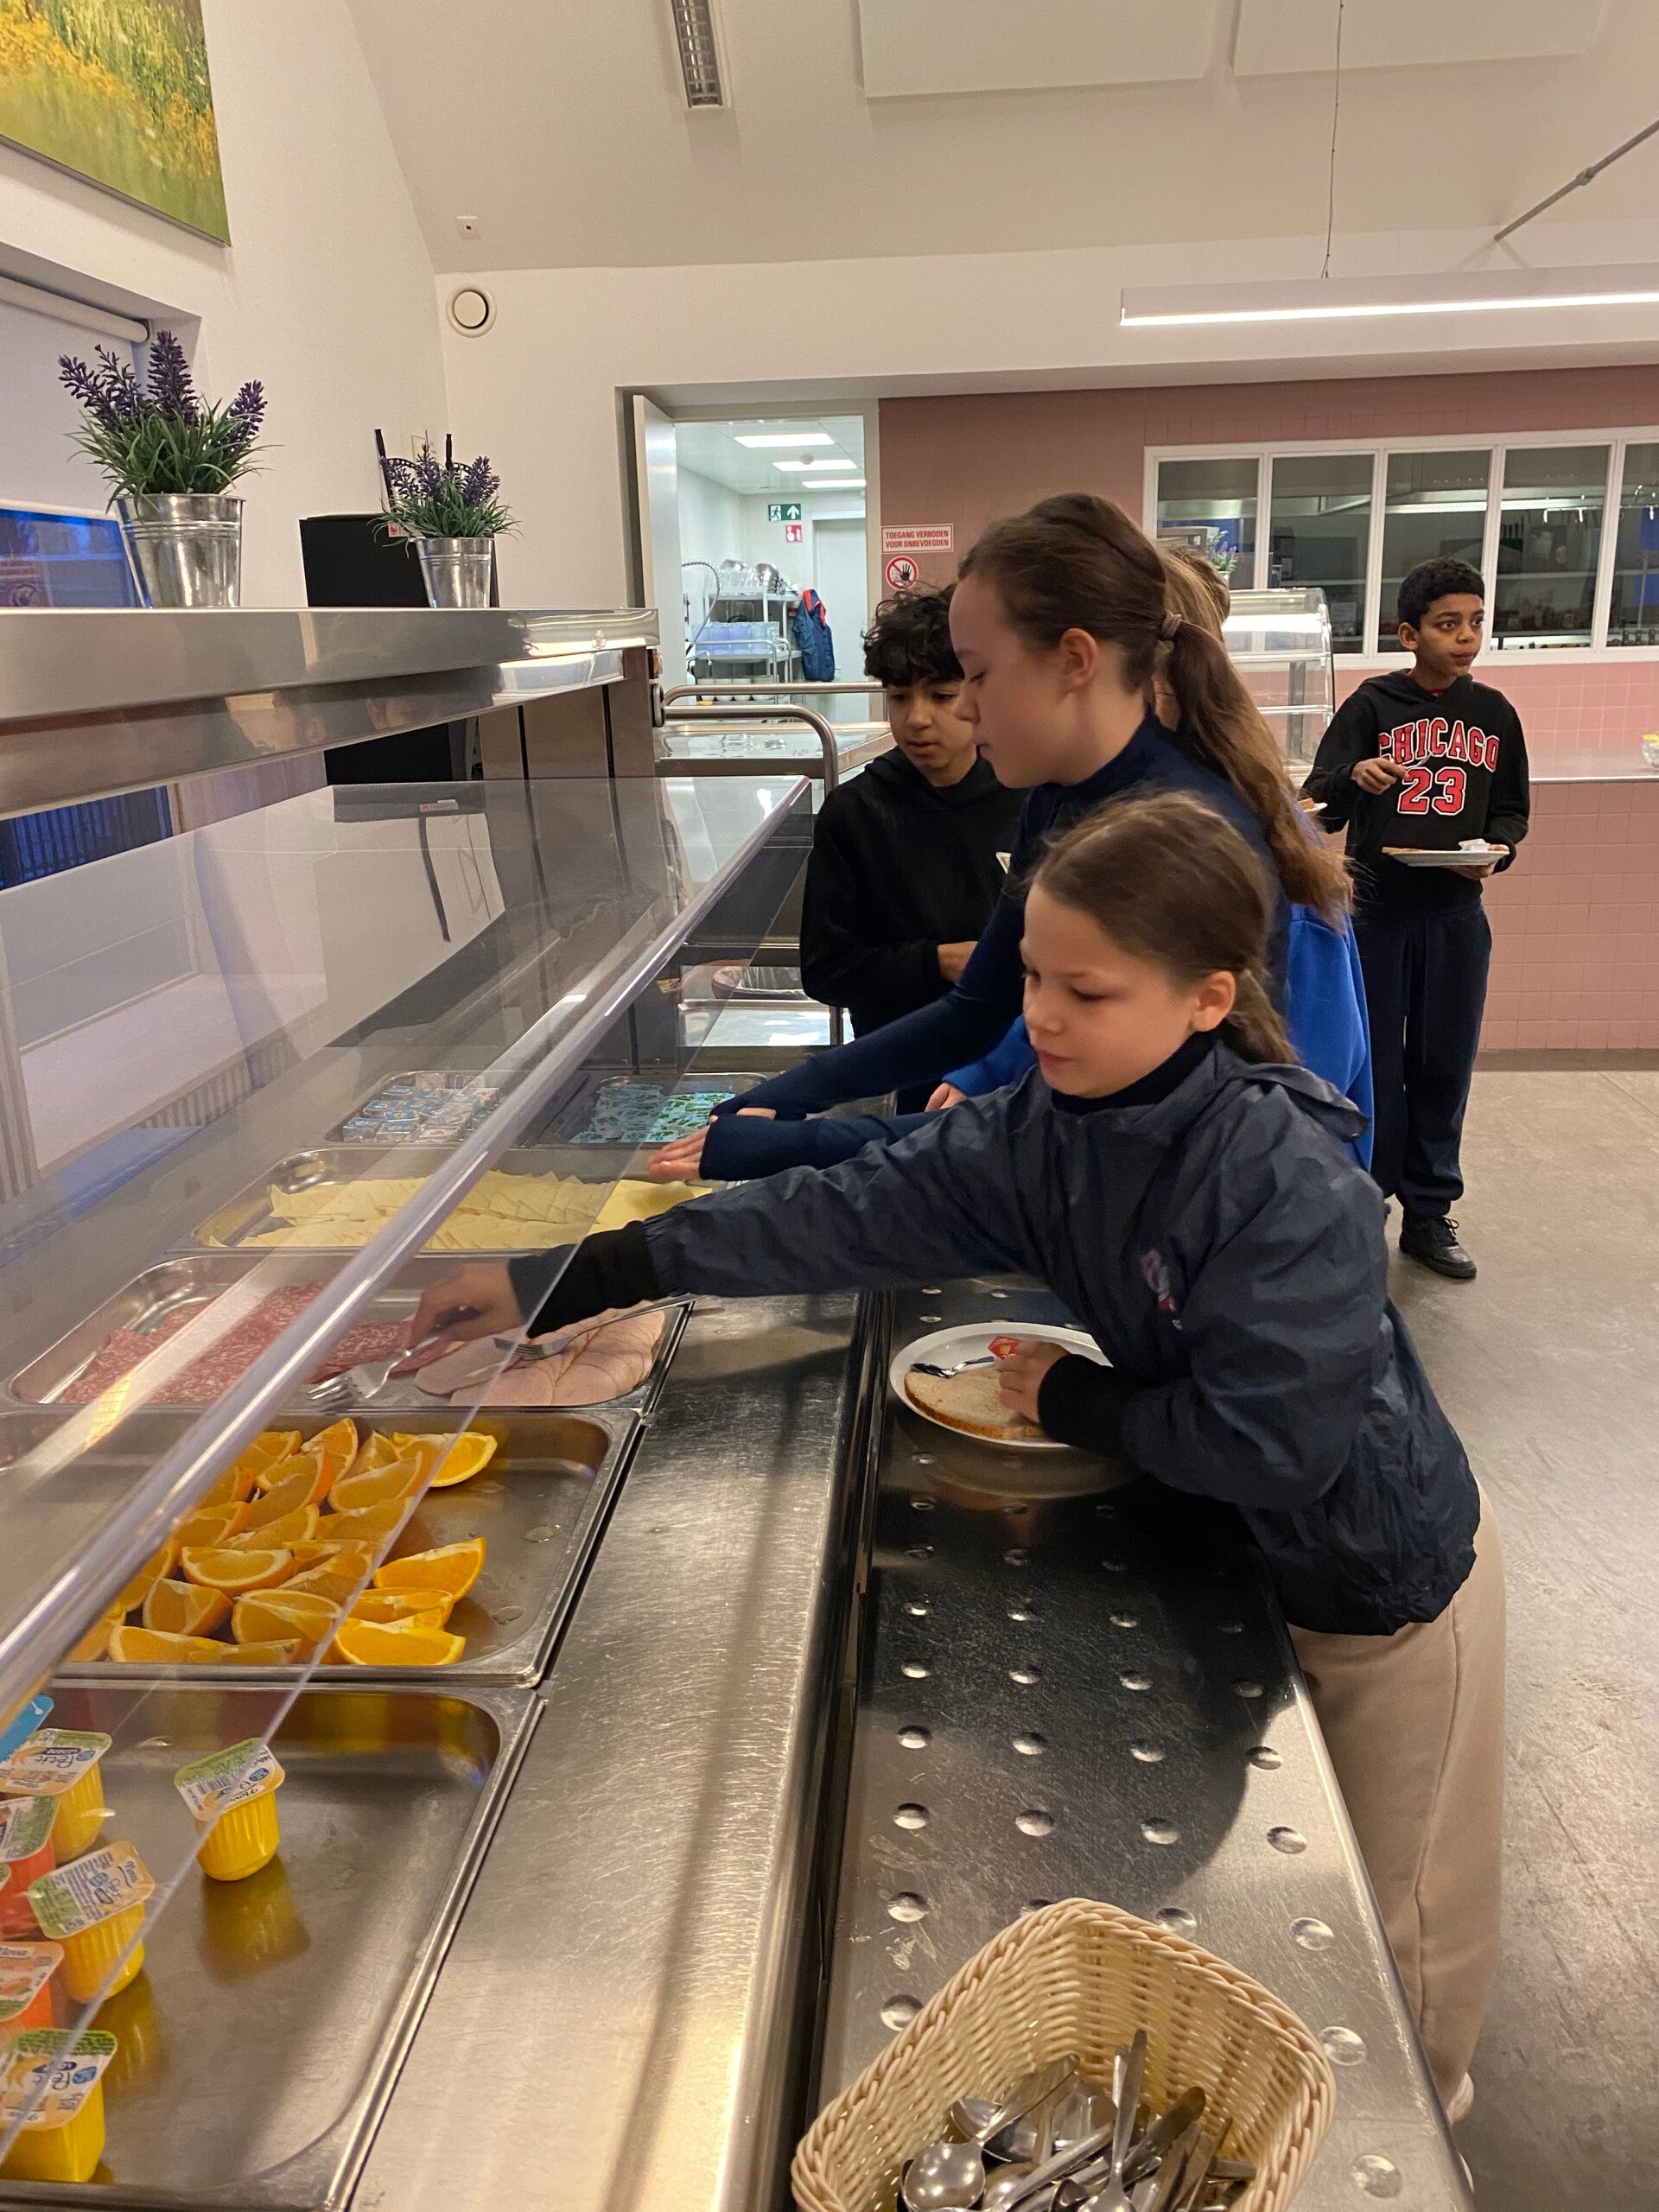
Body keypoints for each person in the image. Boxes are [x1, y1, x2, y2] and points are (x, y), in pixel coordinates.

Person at [413, 792, 1504, 2123]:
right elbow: (846, 1210)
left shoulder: (1282, 1178)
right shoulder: (1050, 1129)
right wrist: (581, 1271)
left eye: (1086, 992)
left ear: (1209, 999)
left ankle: (1421, 2138)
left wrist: (1074, 1400)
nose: (1041, 1017)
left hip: (1383, 1588)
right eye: (1033, 976)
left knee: (1401, 1944)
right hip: (1254, 1549)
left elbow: (1276, 1446)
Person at [650, 494, 1348, 1182]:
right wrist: (783, 1098)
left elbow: (1065, 1133)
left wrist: (787, 1146)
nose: (964, 707)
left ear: (1074, 661)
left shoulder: (1174, 835)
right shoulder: (1056, 799)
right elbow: (977, 1009)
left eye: (976, 675)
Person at [1305, 558, 1530, 1281]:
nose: (1465, 637)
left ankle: (1430, 1214)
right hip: (1378, 917)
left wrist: (1499, 851)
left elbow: (1511, 810)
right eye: (1447, 624)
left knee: (1444, 1066)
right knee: (1375, 1068)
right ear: (1409, 635)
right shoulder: (1371, 706)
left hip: (1456, 918)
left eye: (1476, 622)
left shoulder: (1494, 713)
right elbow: (1319, 802)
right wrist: (1354, 776)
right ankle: (1363, 1203)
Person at [798, 587, 1021, 1107]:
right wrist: (936, 962)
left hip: (1012, 1063)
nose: (917, 718)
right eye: (899, 697)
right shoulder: (855, 812)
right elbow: (826, 970)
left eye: (941, 696)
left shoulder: (1026, 795)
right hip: (900, 1068)